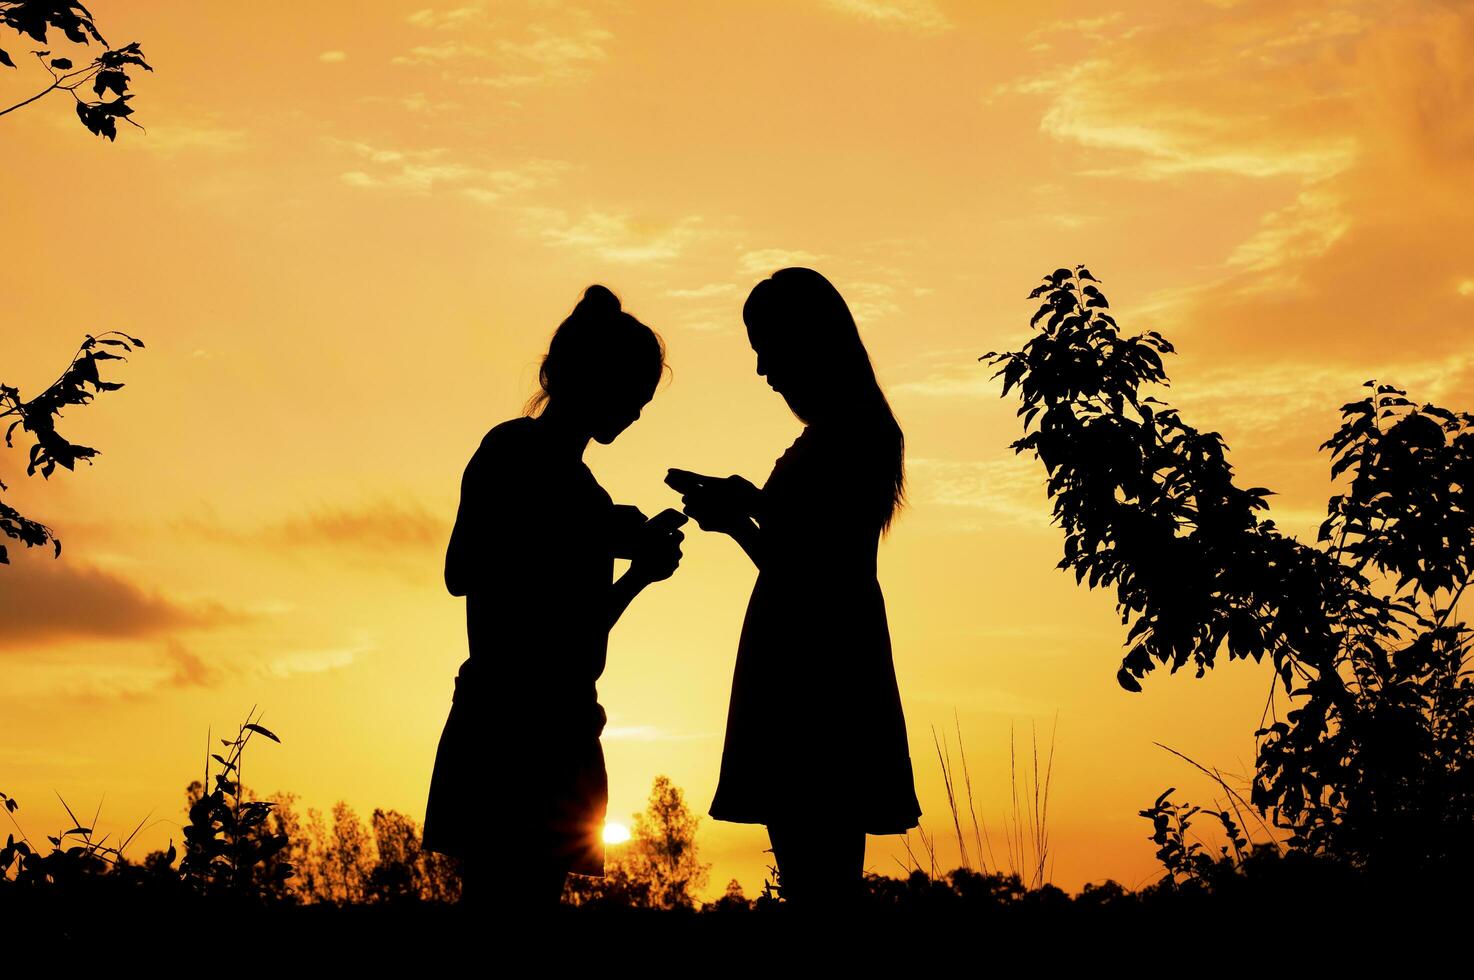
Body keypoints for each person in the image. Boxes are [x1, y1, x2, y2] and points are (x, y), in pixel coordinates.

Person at [423, 284, 684, 911]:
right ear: (597, 380)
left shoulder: (582, 491)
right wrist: (600, 544)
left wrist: (635, 573)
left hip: (554, 724)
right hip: (511, 727)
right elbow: (464, 571)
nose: (638, 412)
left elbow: (578, 637)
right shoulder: (514, 453)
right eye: (635, 396)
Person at [672, 267, 921, 907]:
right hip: (805, 656)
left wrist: (749, 507)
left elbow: (821, 565)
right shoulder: (836, 434)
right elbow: (795, 561)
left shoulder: (857, 434)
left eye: (766, 347)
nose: (762, 369)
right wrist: (739, 520)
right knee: (812, 878)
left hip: (822, 668)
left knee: (822, 879)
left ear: (807, 342)